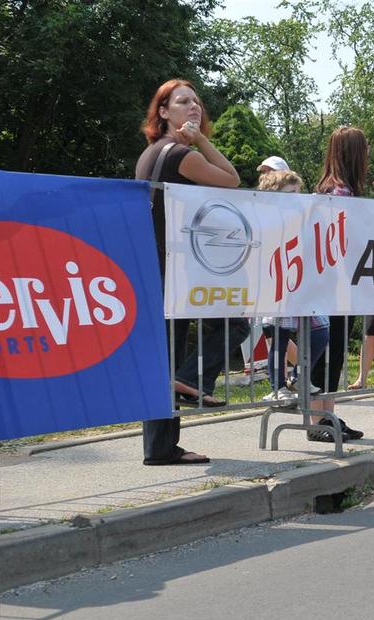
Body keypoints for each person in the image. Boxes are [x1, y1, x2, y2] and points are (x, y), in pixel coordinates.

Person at [135, 78, 246, 465]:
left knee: (164, 360)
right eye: (183, 102)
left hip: (158, 263)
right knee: (237, 323)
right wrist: (200, 141)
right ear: (164, 112)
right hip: (172, 266)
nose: (194, 108)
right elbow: (232, 179)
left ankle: (161, 448)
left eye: (197, 102)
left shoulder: (151, 152)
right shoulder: (180, 153)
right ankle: (194, 380)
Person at [312, 126, 370, 441]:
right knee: (329, 352)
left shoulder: (332, 188)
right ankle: (319, 420)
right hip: (333, 286)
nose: (369, 151)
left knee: (333, 353)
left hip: (332, 286)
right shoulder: (340, 193)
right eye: (365, 146)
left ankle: (327, 414)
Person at [256, 170, 327, 403]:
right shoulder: (268, 220)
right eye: (290, 193)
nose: (297, 197)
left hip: (300, 286)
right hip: (278, 285)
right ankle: (277, 387)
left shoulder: (302, 218)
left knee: (320, 332)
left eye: (298, 192)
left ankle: (298, 376)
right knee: (280, 337)